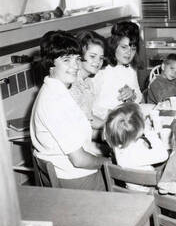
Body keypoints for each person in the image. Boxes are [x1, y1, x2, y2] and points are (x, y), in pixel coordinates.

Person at [30, 31, 108, 190]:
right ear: (50, 64)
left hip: (67, 173)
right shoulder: (55, 101)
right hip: (75, 178)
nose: (75, 66)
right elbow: (79, 160)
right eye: (67, 60)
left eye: (77, 59)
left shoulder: (55, 91)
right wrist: (110, 162)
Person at [103, 102, 168, 192]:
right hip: (149, 191)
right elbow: (164, 155)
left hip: (131, 188)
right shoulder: (138, 154)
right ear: (140, 129)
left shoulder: (117, 146)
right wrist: (150, 133)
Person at [92, 21, 143, 120]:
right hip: (106, 121)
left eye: (133, 49)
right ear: (114, 45)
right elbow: (91, 106)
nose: (129, 53)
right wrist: (114, 115)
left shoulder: (130, 68)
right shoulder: (101, 69)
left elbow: (139, 97)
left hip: (126, 118)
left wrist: (133, 95)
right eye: (124, 47)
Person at [70, 30, 105, 130]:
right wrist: (111, 127)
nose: (98, 62)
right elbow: (83, 123)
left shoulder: (88, 82)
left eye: (101, 58)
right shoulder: (72, 84)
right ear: (80, 56)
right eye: (92, 56)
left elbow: (89, 117)